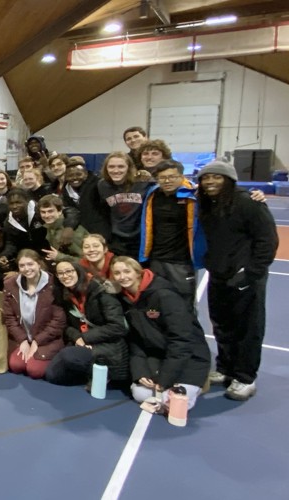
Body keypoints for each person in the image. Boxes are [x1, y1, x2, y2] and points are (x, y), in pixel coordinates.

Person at [197, 161, 278, 401]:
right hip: (219, 275)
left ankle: (245, 377)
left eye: (216, 177)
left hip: (246, 278)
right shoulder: (207, 203)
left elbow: (267, 240)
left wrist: (251, 272)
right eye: (205, 178)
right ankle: (225, 368)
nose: (210, 182)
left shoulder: (248, 202)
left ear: (229, 180)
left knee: (248, 328)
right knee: (222, 325)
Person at [112, 256, 210, 412]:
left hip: (189, 357)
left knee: (176, 403)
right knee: (140, 393)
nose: (122, 277)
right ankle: (168, 395)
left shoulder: (164, 295)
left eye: (126, 271)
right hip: (158, 355)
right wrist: (140, 371)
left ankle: (198, 384)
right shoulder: (126, 300)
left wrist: (164, 379)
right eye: (117, 273)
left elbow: (182, 341)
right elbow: (136, 341)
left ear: (138, 272)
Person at [46, 261, 129, 386]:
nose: (65, 275)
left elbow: (117, 327)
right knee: (53, 375)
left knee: (68, 355)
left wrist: (86, 338)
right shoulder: (65, 294)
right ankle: (91, 374)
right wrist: (77, 337)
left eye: (69, 271)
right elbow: (65, 325)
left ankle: (105, 375)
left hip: (108, 344)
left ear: (79, 271)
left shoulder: (101, 291)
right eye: (61, 273)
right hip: (82, 341)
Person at [138, 159, 205, 309]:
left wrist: (255, 195)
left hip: (182, 263)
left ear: (182, 176)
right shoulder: (152, 195)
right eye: (162, 178)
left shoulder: (194, 195)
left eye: (172, 177)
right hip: (156, 259)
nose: (167, 181)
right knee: (157, 303)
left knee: (184, 305)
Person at [2, 249, 66, 380]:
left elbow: (58, 320)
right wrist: (23, 340)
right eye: (22, 265)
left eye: (30, 264)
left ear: (39, 264)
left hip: (46, 338)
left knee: (34, 371)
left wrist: (37, 341)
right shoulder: (10, 285)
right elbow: (9, 318)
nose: (27, 269)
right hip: (22, 336)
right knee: (16, 366)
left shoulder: (54, 284)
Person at [96, 152, 149, 258]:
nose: (116, 171)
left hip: (139, 239)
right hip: (117, 239)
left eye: (121, 166)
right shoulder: (103, 185)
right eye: (111, 167)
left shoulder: (142, 183)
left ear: (128, 168)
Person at [39, 194, 87, 263]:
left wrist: (59, 257)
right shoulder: (50, 228)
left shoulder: (71, 232)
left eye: (50, 211)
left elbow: (86, 261)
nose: (46, 215)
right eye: (43, 212)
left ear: (60, 211)